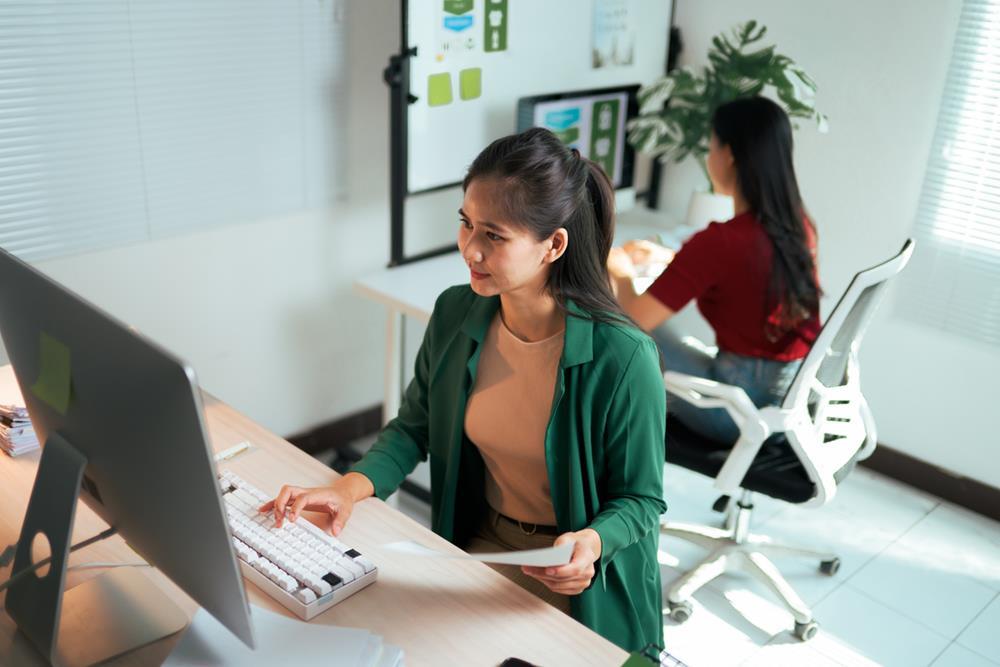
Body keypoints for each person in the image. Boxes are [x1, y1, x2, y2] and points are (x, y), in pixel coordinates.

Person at [260, 128, 667, 652]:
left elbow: (640, 498)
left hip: (574, 575)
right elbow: (414, 427)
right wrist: (348, 487)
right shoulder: (457, 310)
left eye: (494, 236)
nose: (470, 249)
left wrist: (592, 542)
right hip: (480, 545)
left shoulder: (624, 356)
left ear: (554, 245)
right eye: (466, 223)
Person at [608, 96, 822, 445]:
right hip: (786, 403)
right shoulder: (798, 225)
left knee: (619, 333)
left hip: (735, 412)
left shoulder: (722, 242)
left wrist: (617, 266)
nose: (709, 158)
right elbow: (747, 273)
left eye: (711, 147)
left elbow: (635, 319)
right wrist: (673, 258)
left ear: (729, 155)